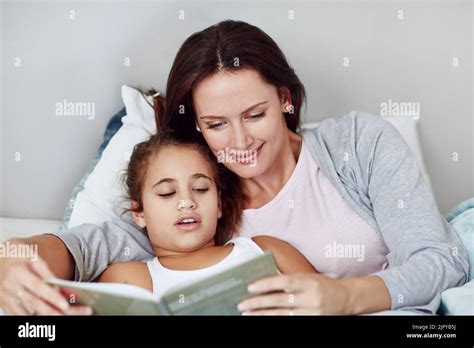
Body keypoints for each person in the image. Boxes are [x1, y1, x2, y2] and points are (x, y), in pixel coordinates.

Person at [0, 20, 468, 315]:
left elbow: (443, 260)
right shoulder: (197, 200)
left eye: (255, 115)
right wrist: (13, 260)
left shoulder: (358, 144)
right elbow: (84, 245)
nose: (240, 143)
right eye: (217, 124)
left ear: (285, 99)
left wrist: (346, 297)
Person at [99, 131, 315, 298]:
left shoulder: (266, 250)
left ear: (219, 204)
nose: (187, 203)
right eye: (168, 193)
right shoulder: (129, 279)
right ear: (139, 213)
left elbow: (331, 304)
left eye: (201, 189)